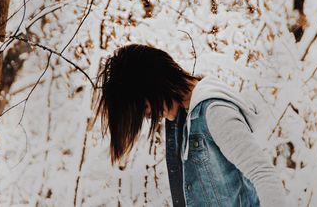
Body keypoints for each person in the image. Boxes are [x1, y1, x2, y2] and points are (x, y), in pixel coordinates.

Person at [93, 43, 287, 207]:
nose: (148, 117)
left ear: (156, 85)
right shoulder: (181, 122)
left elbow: (263, 174)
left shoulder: (214, 111)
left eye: (145, 107)